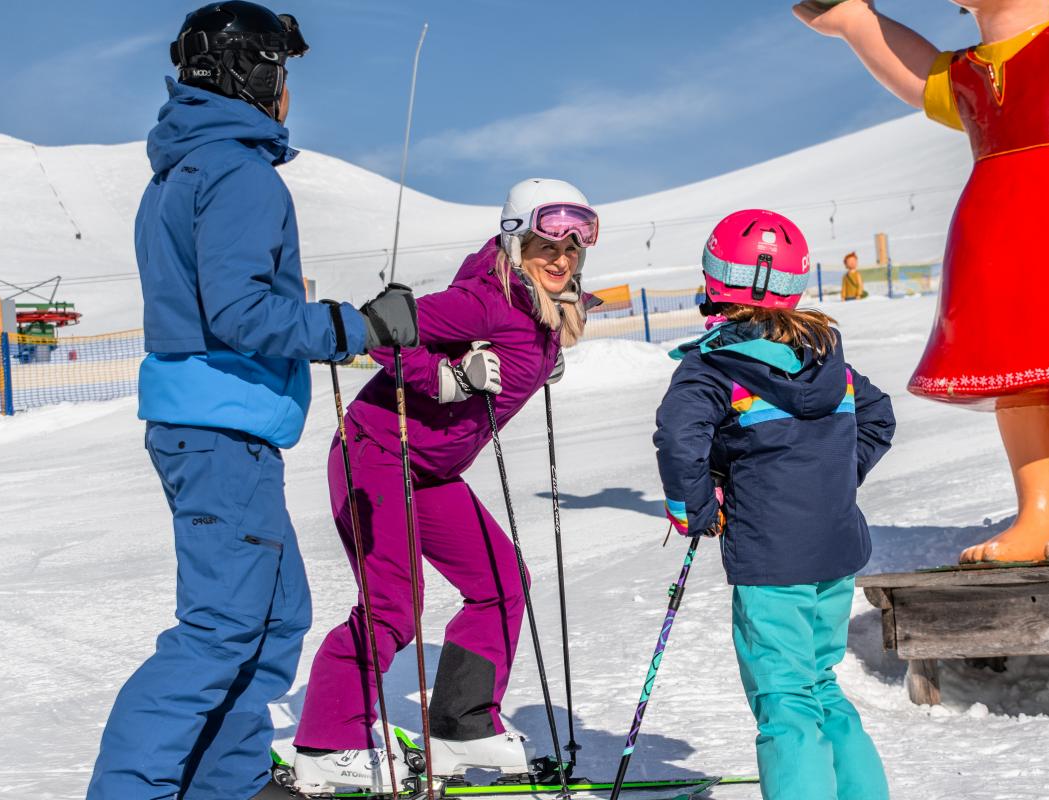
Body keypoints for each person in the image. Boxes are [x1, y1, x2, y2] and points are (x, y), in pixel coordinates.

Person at [86, 4, 419, 799]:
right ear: (254, 73)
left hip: (213, 425)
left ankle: (224, 784)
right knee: (221, 627)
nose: (287, 92)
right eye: (282, 71)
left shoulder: (183, 170)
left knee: (272, 621)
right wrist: (357, 325)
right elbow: (239, 313)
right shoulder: (238, 171)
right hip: (217, 428)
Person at [795, 0, 1049, 564]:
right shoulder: (966, 73)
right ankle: (1041, 513)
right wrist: (855, 19)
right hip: (996, 233)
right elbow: (919, 72)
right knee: (1016, 376)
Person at [290, 178, 600, 794]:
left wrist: (541, 359)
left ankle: (461, 726)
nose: (562, 260)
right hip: (375, 455)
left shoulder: (542, 306)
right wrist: (447, 375)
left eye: (572, 249)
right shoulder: (482, 301)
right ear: (517, 244)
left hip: (430, 472)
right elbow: (381, 328)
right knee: (391, 607)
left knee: (502, 581)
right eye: (546, 246)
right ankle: (326, 743)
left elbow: (518, 347)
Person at [654, 209, 897, 800]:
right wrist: (833, 480)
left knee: (785, 697)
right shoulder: (824, 355)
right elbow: (878, 414)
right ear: (796, 282)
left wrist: (696, 510)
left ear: (713, 278)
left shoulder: (712, 365)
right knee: (819, 681)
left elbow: (678, 436)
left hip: (773, 560)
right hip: (835, 549)